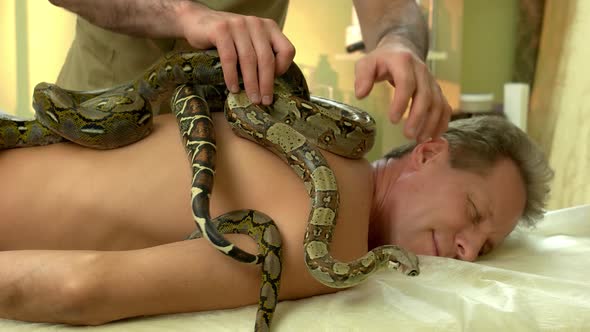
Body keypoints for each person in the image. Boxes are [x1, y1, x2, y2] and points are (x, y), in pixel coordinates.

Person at [0, 114, 553, 325]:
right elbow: (84, 289)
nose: (465, 248)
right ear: (428, 154)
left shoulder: (308, 138)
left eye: (481, 247)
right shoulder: (335, 223)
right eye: (473, 212)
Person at [47, 0, 452, 143]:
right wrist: (182, 14)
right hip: (95, 121)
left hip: (235, 148)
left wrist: (399, 40)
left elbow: (393, 10)